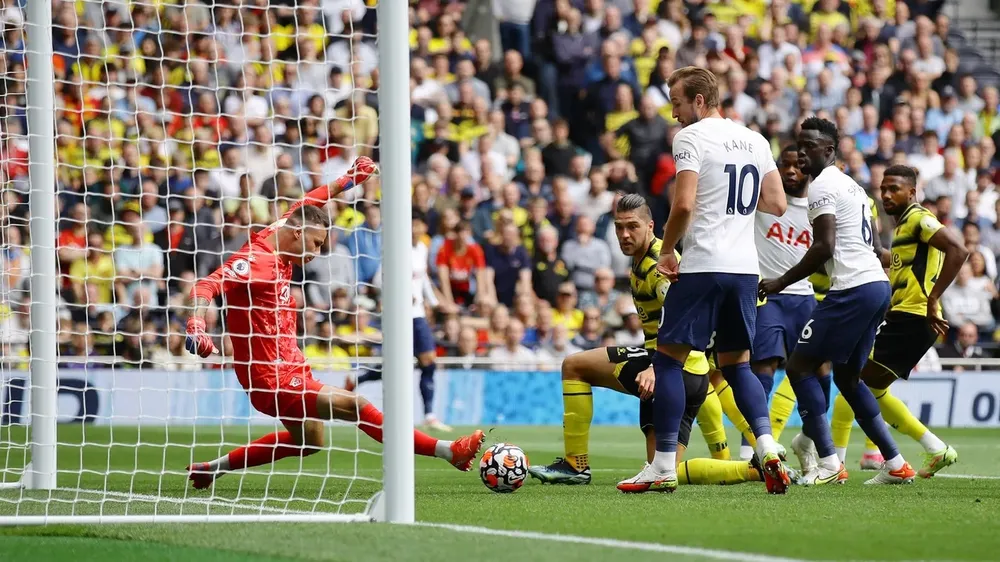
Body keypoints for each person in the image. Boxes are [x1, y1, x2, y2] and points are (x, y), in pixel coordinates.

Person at [184, 158, 484, 488]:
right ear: (297, 233)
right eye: (315, 244)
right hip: (270, 379)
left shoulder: (284, 227)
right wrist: (197, 324)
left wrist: (349, 180)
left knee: (309, 442)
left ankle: (211, 469)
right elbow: (206, 285)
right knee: (356, 405)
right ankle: (449, 451)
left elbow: (310, 200)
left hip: (292, 365)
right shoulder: (256, 261)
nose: (316, 252)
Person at [618, 67, 789, 494]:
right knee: (738, 365)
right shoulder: (755, 140)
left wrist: (668, 250)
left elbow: (683, 204)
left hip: (703, 265)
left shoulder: (690, 138)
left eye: (676, 103)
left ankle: (662, 466)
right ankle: (766, 446)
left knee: (667, 361)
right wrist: (733, 208)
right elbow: (777, 203)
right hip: (745, 269)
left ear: (698, 100)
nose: (673, 113)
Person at [529, 194, 769, 487]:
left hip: (671, 368)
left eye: (632, 226)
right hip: (689, 373)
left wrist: (657, 367)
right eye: (619, 227)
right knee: (663, 468)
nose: (624, 234)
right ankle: (754, 471)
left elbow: (685, 320)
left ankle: (575, 465)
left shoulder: (659, 266)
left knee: (574, 366)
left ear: (650, 226)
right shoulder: (643, 259)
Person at [759, 118, 913, 486]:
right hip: (875, 286)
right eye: (799, 145)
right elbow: (870, 245)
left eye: (809, 146)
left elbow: (824, 246)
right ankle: (895, 463)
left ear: (829, 150)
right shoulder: (853, 186)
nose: (801, 153)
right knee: (847, 376)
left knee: (799, 367)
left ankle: (830, 463)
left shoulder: (822, 186)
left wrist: (780, 281)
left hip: (852, 290)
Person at [829, 165, 964, 479]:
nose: (887, 194)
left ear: (912, 192)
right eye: (883, 189)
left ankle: (836, 463)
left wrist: (933, 298)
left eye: (894, 189)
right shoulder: (904, 227)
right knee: (867, 388)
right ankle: (931, 448)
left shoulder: (919, 218)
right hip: (904, 317)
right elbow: (901, 262)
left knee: (853, 383)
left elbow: (958, 250)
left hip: (913, 318)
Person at [346, 212, 452, 432]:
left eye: (419, 225)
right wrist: (400, 292)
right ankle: (359, 379)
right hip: (399, 315)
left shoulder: (422, 248)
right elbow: (379, 280)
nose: (415, 229)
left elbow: (422, 278)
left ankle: (429, 415)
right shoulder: (396, 249)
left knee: (427, 361)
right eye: (412, 225)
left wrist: (434, 301)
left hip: (417, 314)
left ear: (424, 227)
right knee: (400, 365)